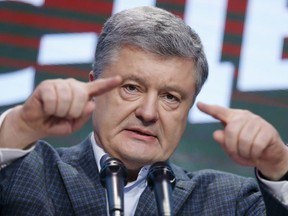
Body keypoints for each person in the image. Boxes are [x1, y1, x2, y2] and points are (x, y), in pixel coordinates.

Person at [0, 6, 287, 215]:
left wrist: (278, 163)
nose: (148, 113)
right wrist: (20, 126)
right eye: (132, 88)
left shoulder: (227, 201)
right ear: (94, 87)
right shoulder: (28, 172)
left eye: (170, 97)